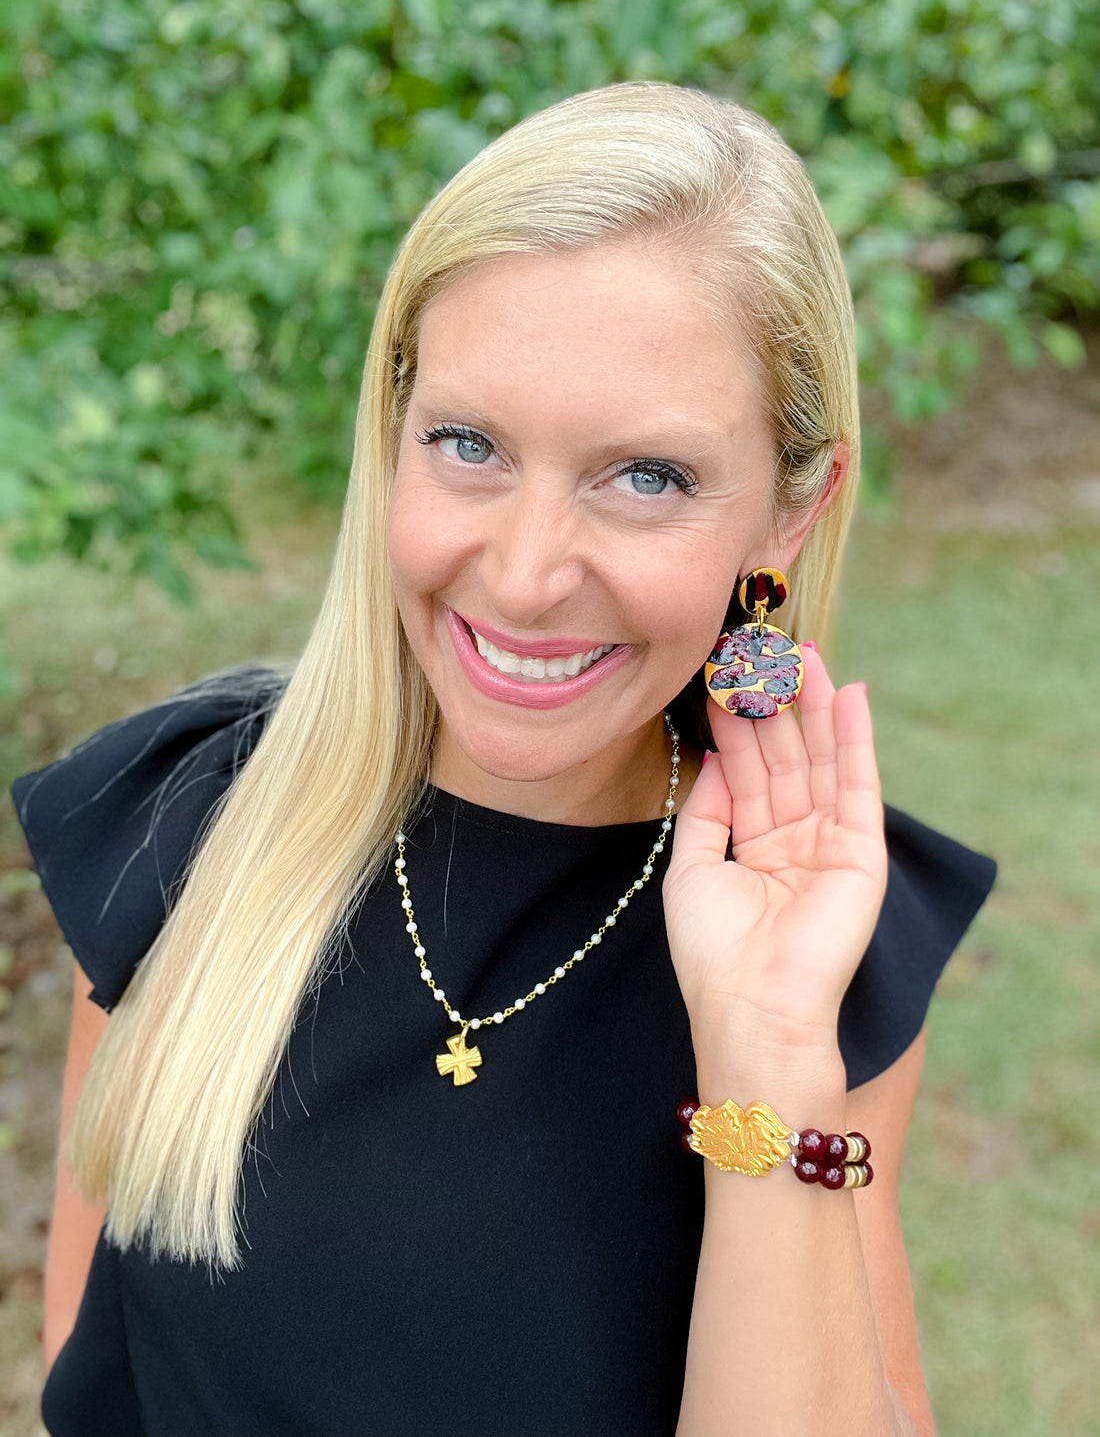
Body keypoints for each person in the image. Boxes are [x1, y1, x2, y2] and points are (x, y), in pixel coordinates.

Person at [13, 82, 995, 1437]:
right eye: (468, 445)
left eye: (643, 477)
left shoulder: (826, 944)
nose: (526, 577)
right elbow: (96, 1376)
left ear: (788, 509)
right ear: (394, 433)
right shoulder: (181, 825)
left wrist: (768, 1053)